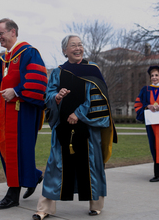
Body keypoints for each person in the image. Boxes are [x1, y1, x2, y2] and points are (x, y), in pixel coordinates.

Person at [33, 35, 117, 220]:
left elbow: (98, 97)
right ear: (65, 50)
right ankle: (44, 208)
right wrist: (57, 97)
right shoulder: (58, 72)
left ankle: (96, 205)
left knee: (91, 165)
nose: (78, 48)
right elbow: (49, 96)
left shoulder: (92, 70)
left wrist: (78, 113)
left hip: (87, 129)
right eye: (73, 45)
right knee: (56, 165)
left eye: (80, 45)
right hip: (63, 129)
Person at [0, 18, 47, 209]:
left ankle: (13, 195)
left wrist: (18, 91)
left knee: (20, 150)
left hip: (23, 112)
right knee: (6, 150)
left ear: (13, 32)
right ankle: (34, 175)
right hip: (6, 113)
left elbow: (38, 81)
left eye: (1, 33)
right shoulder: (5, 58)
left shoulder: (29, 53)